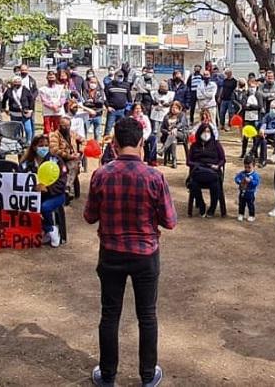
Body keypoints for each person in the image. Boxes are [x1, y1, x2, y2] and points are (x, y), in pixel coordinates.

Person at [85, 117, 176, 387]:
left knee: (109, 315)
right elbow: (169, 221)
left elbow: (89, 216)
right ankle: (148, 376)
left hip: (111, 252)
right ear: (141, 143)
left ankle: (108, 376)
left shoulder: (101, 174)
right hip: (145, 255)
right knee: (147, 315)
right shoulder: (154, 177)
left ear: (113, 144)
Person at [17, 135, 68, 247]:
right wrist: (33, 188)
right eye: (41, 146)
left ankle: (51, 229)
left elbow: (63, 182)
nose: (44, 148)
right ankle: (45, 230)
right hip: (33, 196)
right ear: (34, 147)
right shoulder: (26, 164)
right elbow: (19, 181)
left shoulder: (56, 161)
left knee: (44, 207)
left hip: (56, 195)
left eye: (46, 145)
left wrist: (47, 188)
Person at [186, 121, 225, 217]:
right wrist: (197, 165)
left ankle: (212, 208)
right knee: (193, 184)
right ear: (199, 133)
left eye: (208, 131)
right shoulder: (194, 145)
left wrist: (217, 166)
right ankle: (201, 205)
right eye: (204, 131)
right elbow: (188, 161)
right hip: (198, 171)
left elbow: (222, 159)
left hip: (213, 171)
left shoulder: (216, 144)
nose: (206, 134)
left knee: (215, 185)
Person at [48, 115, 83, 202]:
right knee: (72, 165)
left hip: (73, 158)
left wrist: (81, 150)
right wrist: (69, 156)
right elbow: (54, 151)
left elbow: (83, 140)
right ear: (59, 125)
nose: (66, 128)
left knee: (74, 164)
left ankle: (67, 189)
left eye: (68, 126)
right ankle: (67, 190)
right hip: (60, 160)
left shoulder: (72, 133)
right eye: (64, 126)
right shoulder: (54, 135)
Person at [3, 75, 35, 143]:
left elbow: (31, 100)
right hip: (14, 113)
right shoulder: (9, 91)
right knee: (15, 129)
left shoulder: (25, 90)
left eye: (19, 82)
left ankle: (28, 142)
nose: (17, 83)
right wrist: (4, 108)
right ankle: (17, 142)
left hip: (25, 113)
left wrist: (31, 110)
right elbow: (4, 99)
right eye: (15, 82)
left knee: (28, 129)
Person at [239, 77, 264, 159]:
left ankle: (255, 152)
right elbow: (243, 106)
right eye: (250, 87)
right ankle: (243, 152)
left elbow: (259, 106)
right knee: (245, 136)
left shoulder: (259, 95)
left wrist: (250, 105)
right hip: (247, 119)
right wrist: (250, 107)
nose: (252, 89)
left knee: (255, 137)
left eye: (253, 87)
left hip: (256, 119)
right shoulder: (245, 94)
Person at [159, 101, 189, 168]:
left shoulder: (182, 115)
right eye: (172, 107)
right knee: (173, 139)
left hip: (181, 134)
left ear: (179, 108)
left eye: (176, 108)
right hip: (170, 136)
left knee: (174, 133)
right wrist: (167, 132)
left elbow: (181, 124)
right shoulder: (166, 116)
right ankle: (174, 161)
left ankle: (163, 149)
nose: (174, 109)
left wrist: (175, 128)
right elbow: (162, 128)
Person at [104, 70, 132, 137]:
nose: (120, 78)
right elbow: (105, 98)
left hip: (122, 111)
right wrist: (108, 107)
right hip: (112, 111)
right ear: (115, 76)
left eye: (121, 77)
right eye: (118, 76)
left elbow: (130, 100)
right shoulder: (109, 85)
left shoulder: (126, 86)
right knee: (108, 129)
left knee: (121, 129)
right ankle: (104, 144)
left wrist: (127, 110)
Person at [82, 73, 107, 140]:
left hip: (98, 115)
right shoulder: (85, 91)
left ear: (97, 83)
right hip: (87, 115)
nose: (93, 84)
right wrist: (94, 101)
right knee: (85, 132)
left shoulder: (100, 91)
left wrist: (92, 101)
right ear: (89, 82)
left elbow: (101, 102)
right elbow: (85, 103)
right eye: (91, 82)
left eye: (94, 82)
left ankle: (96, 147)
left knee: (97, 134)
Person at [235, 156, 260, 222]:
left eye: (249, 167)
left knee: (250, 205)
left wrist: (250, 181)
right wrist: (240, 181)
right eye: (245, 167)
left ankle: (251, 215)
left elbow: (256, 183)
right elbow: (237, 178)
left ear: (253, 166)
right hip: (242, 192)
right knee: (241, 204)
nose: (247, 169)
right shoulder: (242, 173)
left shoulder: (255, 175)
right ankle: (241, 214)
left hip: (250, 193)